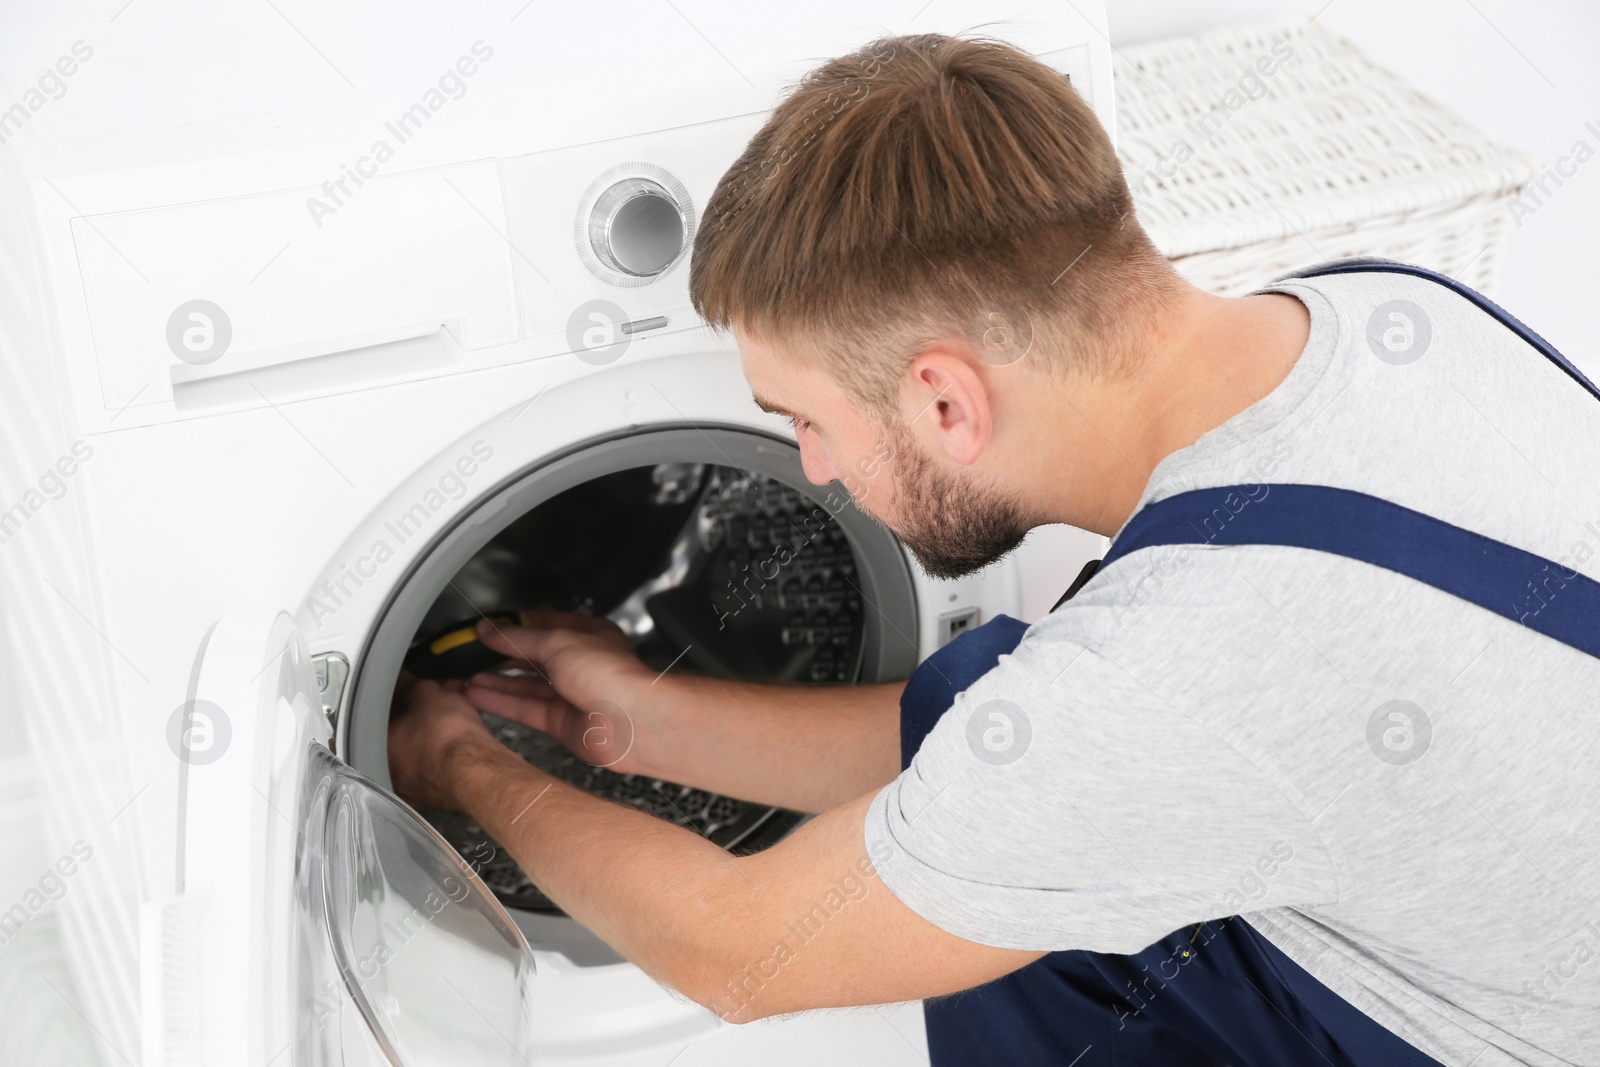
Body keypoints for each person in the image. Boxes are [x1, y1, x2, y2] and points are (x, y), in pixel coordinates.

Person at [386, 32, 1600, 1067]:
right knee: (997, 701)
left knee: (1038, 941)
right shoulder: (1381, 308)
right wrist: (641, 720)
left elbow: (741, 948)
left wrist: (458, 765)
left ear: (945, 404)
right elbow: (1047, 745)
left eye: (805, 420)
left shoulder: (1177, 669)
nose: (810, 468)